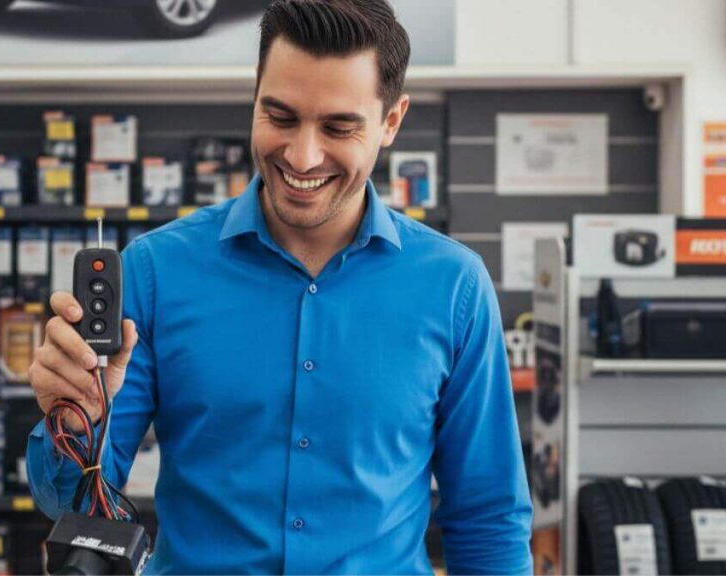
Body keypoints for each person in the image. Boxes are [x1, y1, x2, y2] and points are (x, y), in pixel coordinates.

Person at [26, 0, 533, 572]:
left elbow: (489, 517)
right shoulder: (155, 270)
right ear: (255, 97)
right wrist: (74, 424)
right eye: (281, 117)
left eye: (339, 127)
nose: (301, 155)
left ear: (391, 121)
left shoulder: (453, 287)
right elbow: (71, 502)